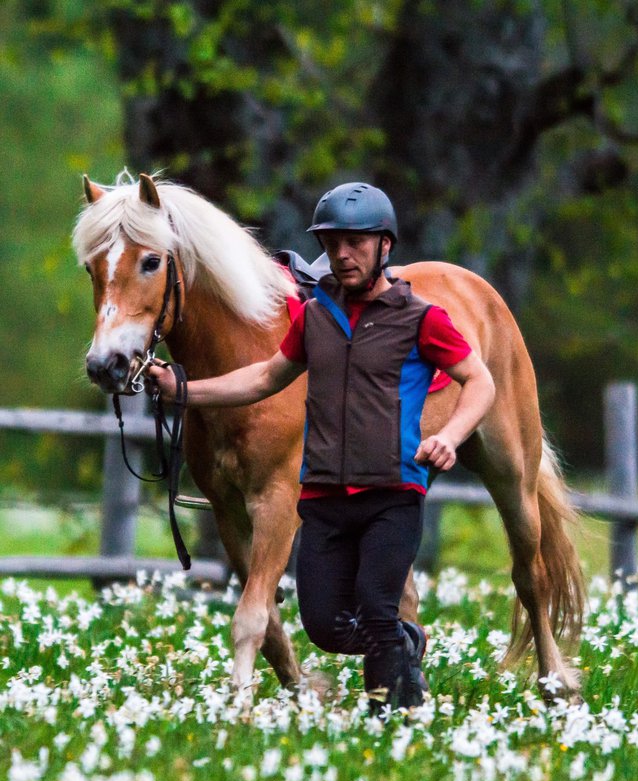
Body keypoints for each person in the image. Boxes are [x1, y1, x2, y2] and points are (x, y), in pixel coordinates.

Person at [149, 182, 495, 713]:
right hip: (325, 498)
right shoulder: (314, 318)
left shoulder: (421, 317)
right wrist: (184, 391)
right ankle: (404, 645)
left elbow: (480, 381)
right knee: (325, 626)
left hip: (391, 493)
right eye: (332, 242)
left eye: (356, 242)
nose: (342, 254)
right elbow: (263, 378)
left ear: (385, 246)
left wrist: (450, 436)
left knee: (379, 613)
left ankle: (396, 718)